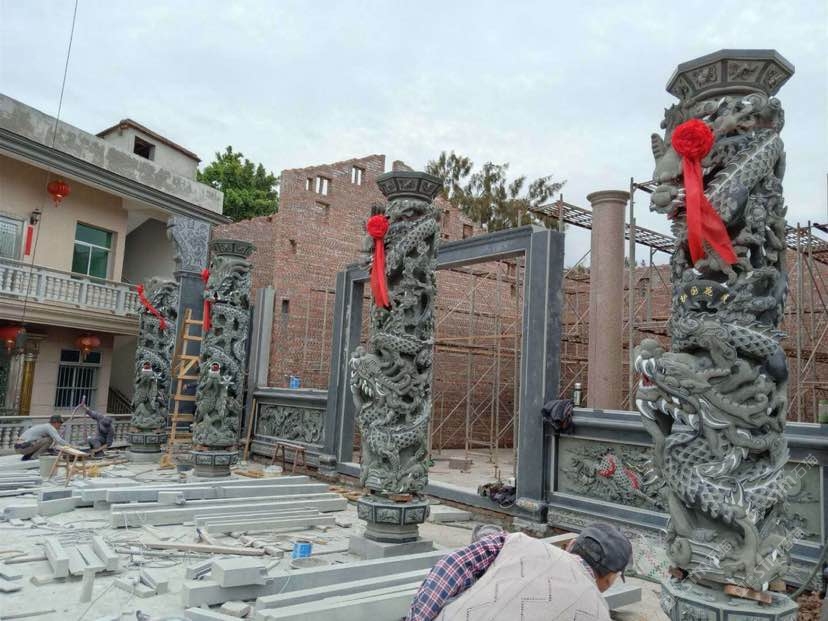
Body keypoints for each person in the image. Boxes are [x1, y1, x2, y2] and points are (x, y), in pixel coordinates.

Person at [407, 522, 632, 621]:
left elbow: (453, 565)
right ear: (610, 578)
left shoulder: (515, 541)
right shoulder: (598, 613)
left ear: (571, 544)